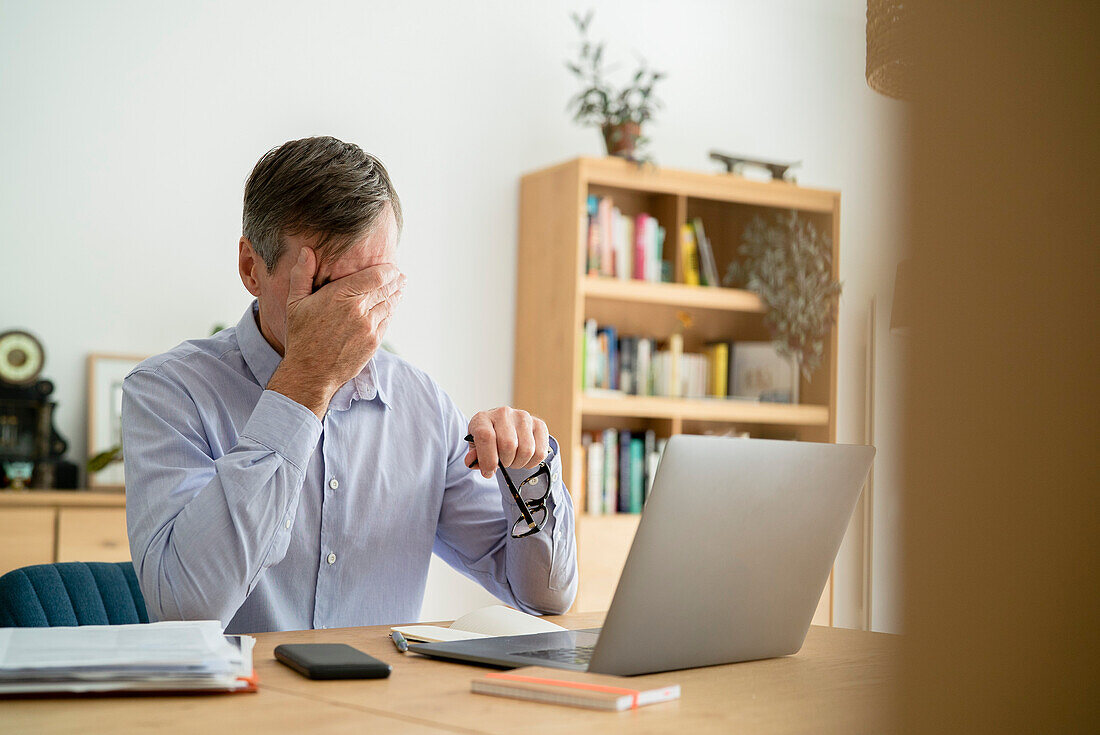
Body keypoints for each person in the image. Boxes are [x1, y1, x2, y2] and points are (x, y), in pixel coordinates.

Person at [122, 136, 578, 633]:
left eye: (374, 284)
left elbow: (544, 597)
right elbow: (186, 610)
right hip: (234, 706)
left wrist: (529, 471)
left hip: (381, 707)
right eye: (326, 290)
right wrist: (305, 383)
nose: (356, 316)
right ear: (251, 268)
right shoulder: (167, 392)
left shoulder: (420, 405)